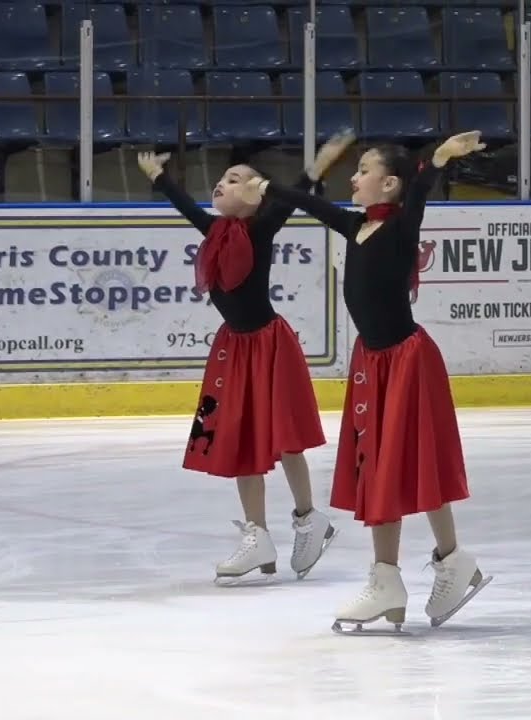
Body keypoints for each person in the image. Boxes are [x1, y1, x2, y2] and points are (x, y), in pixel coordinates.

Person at [242, 131, 491, 631]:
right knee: (385, 467)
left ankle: (414, 571)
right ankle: (417, 570)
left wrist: (441, 157)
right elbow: (310, 205)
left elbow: (421, 190)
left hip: (406, 363)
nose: (353, 178)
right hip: (373, 363)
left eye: (363, 171)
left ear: (390, 184)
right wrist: (266, 188)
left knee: (403, 464)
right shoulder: (356, 225)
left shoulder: (400, 225)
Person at [136, 151, 337, 583]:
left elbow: (288, 200)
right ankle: (257, 534)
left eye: (234, 180)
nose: (221, 183)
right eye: (223, 178)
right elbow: (185, 205)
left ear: (254, 196)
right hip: (234, 349)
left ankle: (309, 518)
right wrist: (158, 175)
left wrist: (314, 169)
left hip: (270, 346)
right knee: (242, 441)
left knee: (287, 440)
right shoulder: (215, 231)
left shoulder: (262, 228)